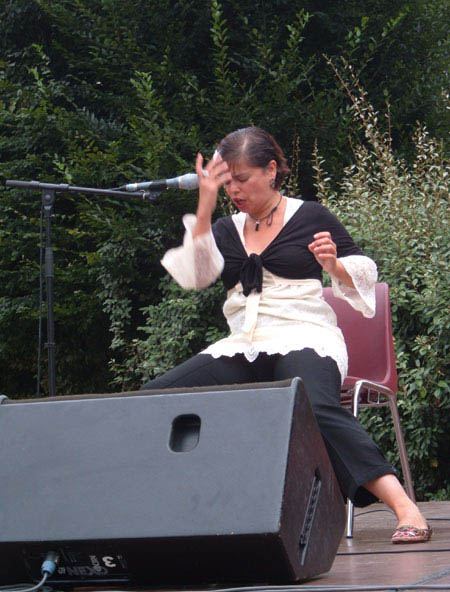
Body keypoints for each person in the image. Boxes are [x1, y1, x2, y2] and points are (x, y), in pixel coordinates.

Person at [142, 126, 431, 544]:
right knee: (155, 396)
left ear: (271, 170)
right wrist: (204, 208)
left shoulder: (310, 216)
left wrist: (334, 267)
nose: (235, 190)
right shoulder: (224, 227)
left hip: (307, 335)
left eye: (243, 179)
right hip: (243, 343)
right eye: (229, 182)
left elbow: (366, 271)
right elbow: (196, 274)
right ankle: (186, 516)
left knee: (311, 401)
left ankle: (406, 508)